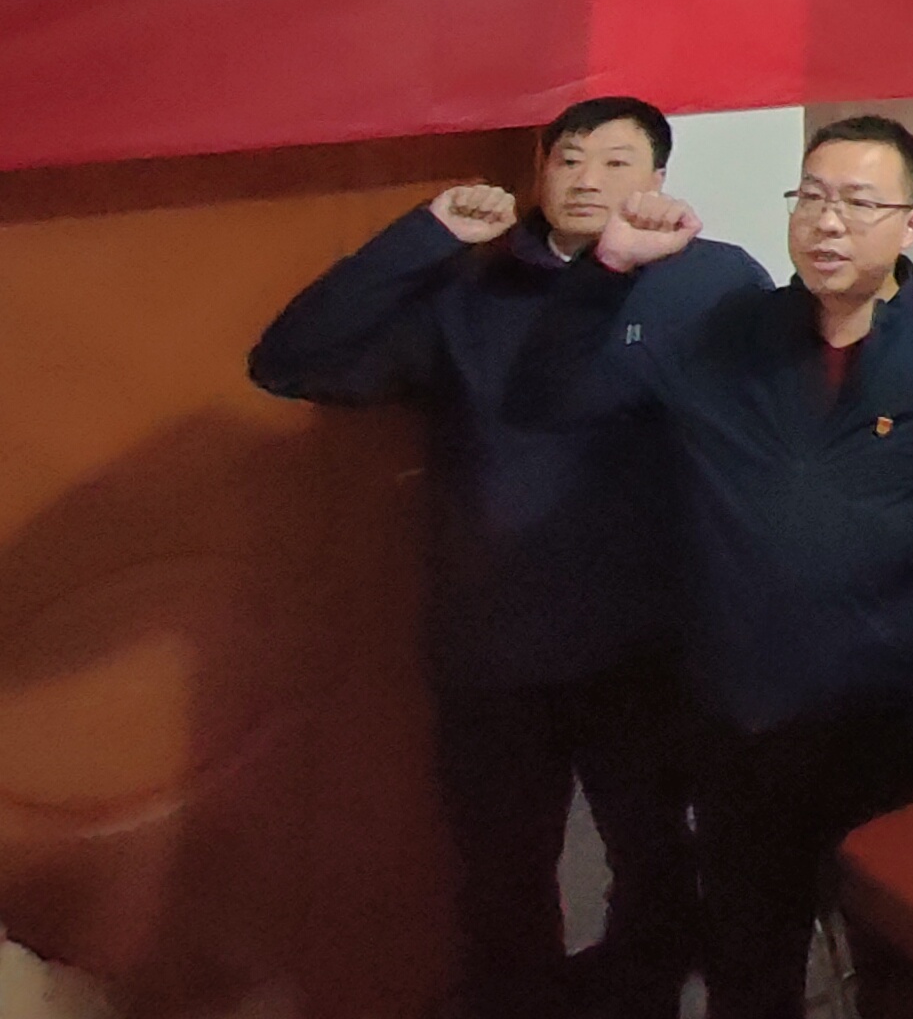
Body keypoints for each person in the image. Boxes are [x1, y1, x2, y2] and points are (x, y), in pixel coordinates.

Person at [514, 116, 913, 1019]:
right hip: (739, 724)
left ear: (912, 225)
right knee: (749, 962)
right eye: (813, 198)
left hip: (889, 724)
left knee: (900, 959)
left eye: (859, 203)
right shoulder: (725, 337)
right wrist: (609, 270)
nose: (828, 223)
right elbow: (546, 395)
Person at [251, 97, 756, 1019]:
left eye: (615, 162)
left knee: (658, 861)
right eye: (568, 159)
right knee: (502, 879)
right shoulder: (470, 290)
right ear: (539, 172)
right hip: (495, 651)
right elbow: (289, 360)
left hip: (646, 646)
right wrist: (424, 234)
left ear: (657, 180)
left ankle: (638, 997)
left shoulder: (709, 282)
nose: (587, 179)